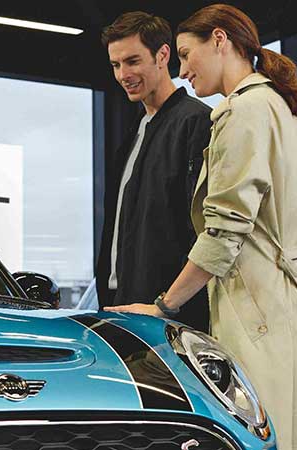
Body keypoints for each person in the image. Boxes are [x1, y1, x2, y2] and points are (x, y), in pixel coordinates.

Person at [106, 5, 297, 450]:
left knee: (257, 438)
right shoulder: (287, 110)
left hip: (257, 311)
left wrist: (164, 305)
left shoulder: (242, 112)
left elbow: (224, 230)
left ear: (219, 40)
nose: (182, 69)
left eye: (184, 54)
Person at [96, 11, 212, 331]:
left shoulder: (197, 122)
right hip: (125, 305)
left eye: (133, 61)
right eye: (116, 65)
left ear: (162, 55)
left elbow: (205, 232)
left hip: (171, 316)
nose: (123, 74)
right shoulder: (135, 133)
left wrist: (168, 305)